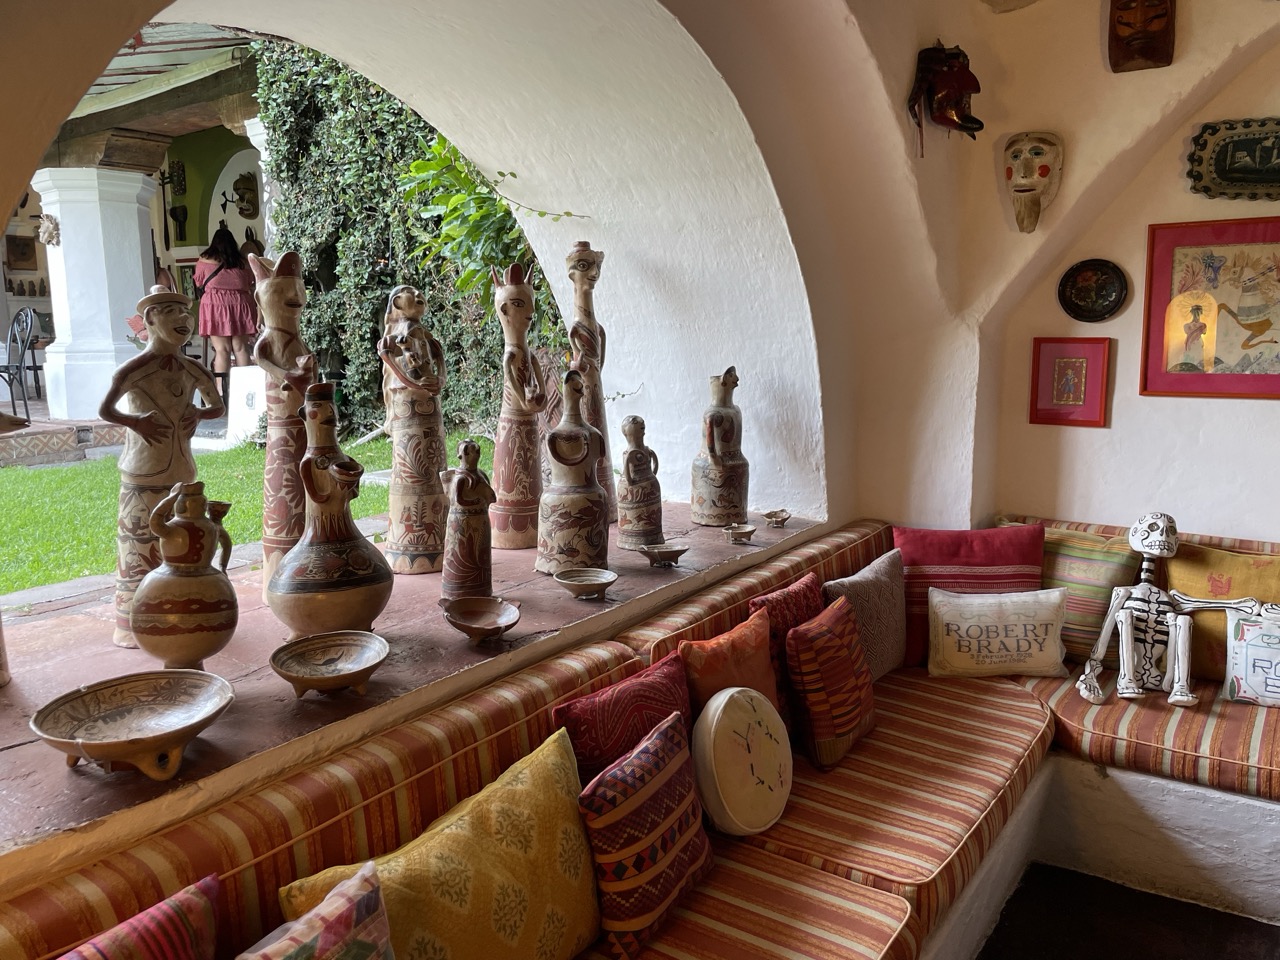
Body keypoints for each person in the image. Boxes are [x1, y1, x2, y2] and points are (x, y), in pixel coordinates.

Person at [195, 225, 257, 379]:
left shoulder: (204, 261)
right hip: (240, 305)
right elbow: (250, 282)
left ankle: (222, 393)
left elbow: (198, 282)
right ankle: (246, 390)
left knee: (222, 350)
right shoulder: (242, 263)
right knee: (241, 348)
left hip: (215, 306)